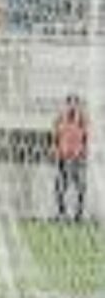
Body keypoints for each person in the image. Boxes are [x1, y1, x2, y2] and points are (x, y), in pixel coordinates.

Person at [54, 95, 88, 223]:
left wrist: (82, 153)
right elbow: (55, 138)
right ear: (66, 105)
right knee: (60, 187)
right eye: (70, 103)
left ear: (78, 105)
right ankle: (62, 213)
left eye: (75, 103)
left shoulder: (82, 120)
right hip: (63, 158)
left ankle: (78, 214)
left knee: (80, 187)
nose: (72, 106)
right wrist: (57, 152)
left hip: (77, 159)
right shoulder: (60, 119)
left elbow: (86, 139)